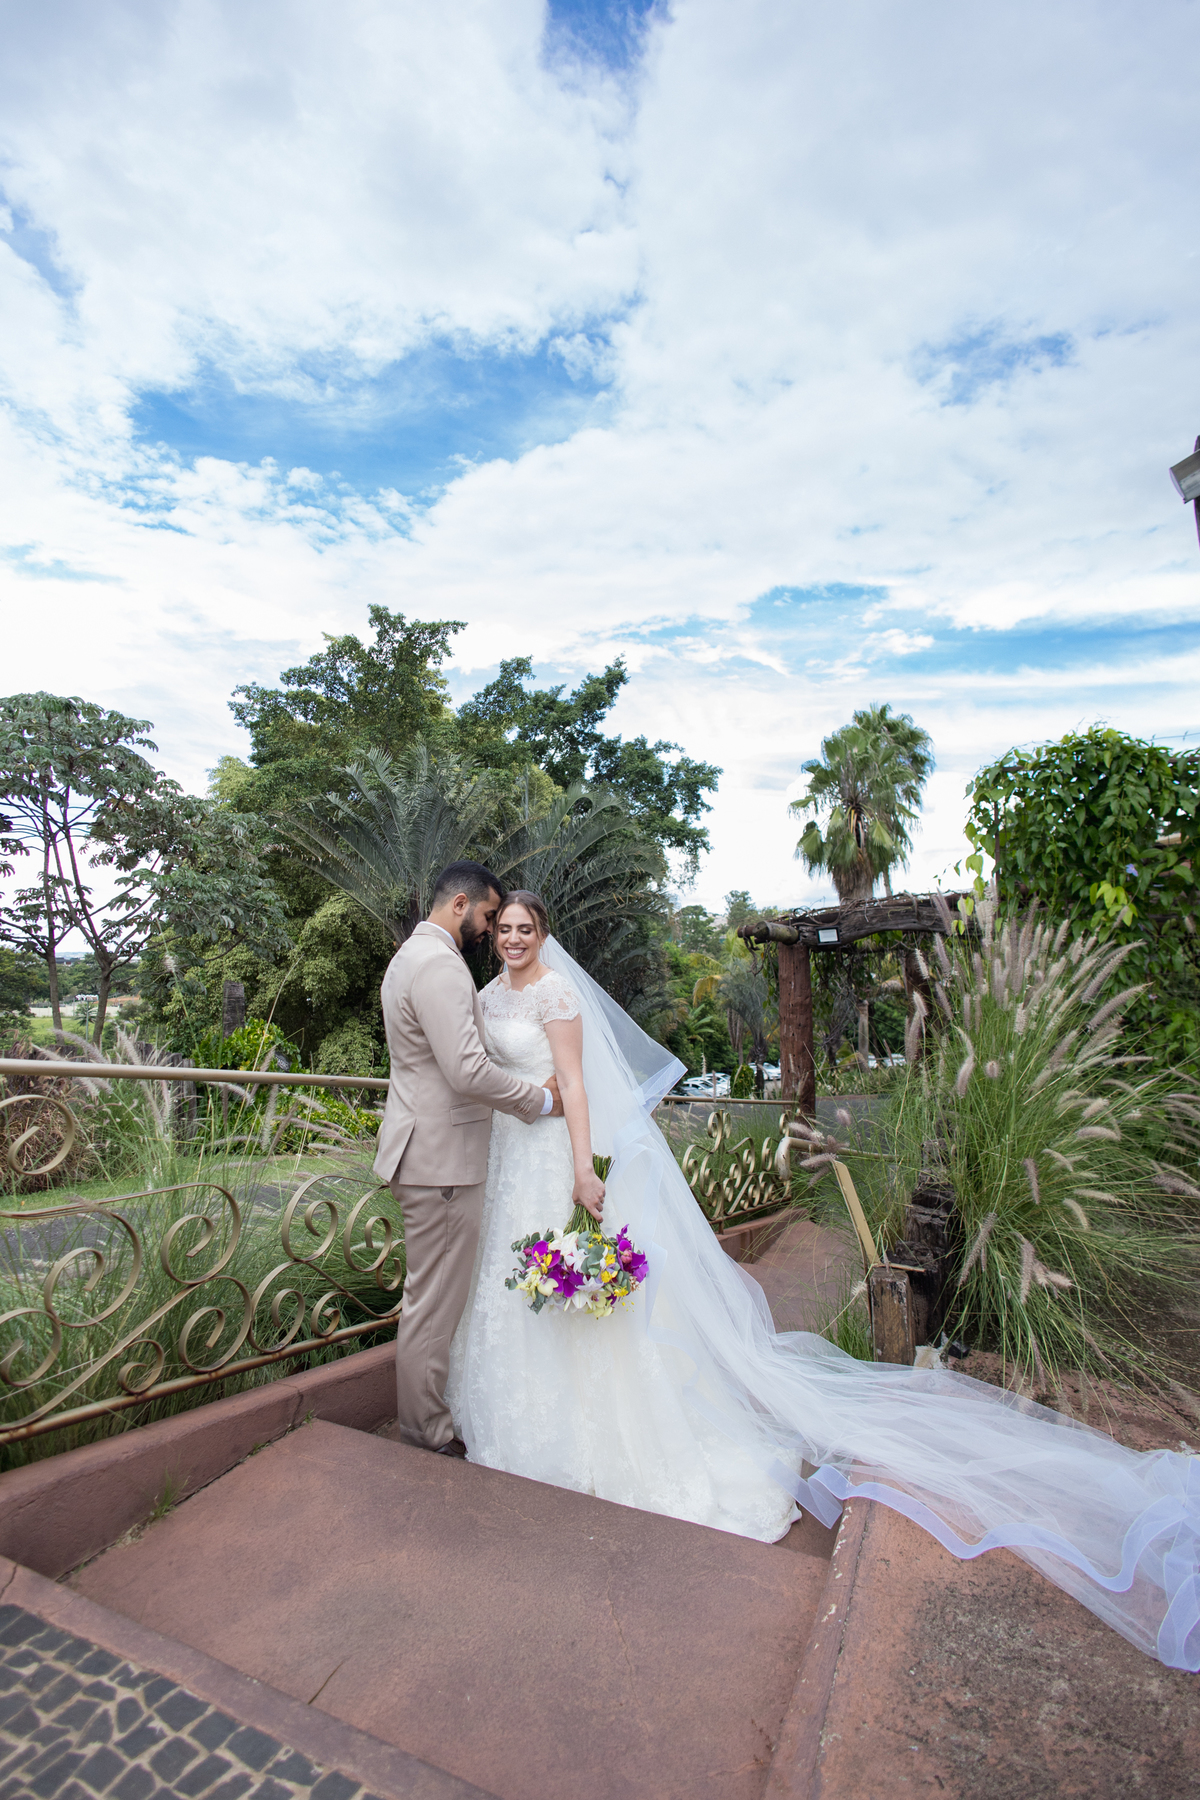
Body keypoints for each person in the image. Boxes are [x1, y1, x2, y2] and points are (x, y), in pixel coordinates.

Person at [445, 891, 1200, 1673]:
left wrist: (582, 1170)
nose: (514, 939)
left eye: (526, 929)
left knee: (570, 1292)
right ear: (493, 935)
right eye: (505, 930)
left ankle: (591, 1431)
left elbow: (574, 1086)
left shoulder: (558, 996)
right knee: (513, 1287)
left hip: (553, 1159)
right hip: (508, 1160)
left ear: (544, 935)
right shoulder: (489, 995)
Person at [374, 862, 564, 1457]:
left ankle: (425, 1422)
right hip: (442, 1160)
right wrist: (539, 1100)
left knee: (428, 1298)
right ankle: (426, 1434)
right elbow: (465, 1070)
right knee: (433, 1306)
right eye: (488, 916)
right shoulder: (439, 965)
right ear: (460, 904)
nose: (489, 929)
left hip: (425, 1150)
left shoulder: (409, 956)